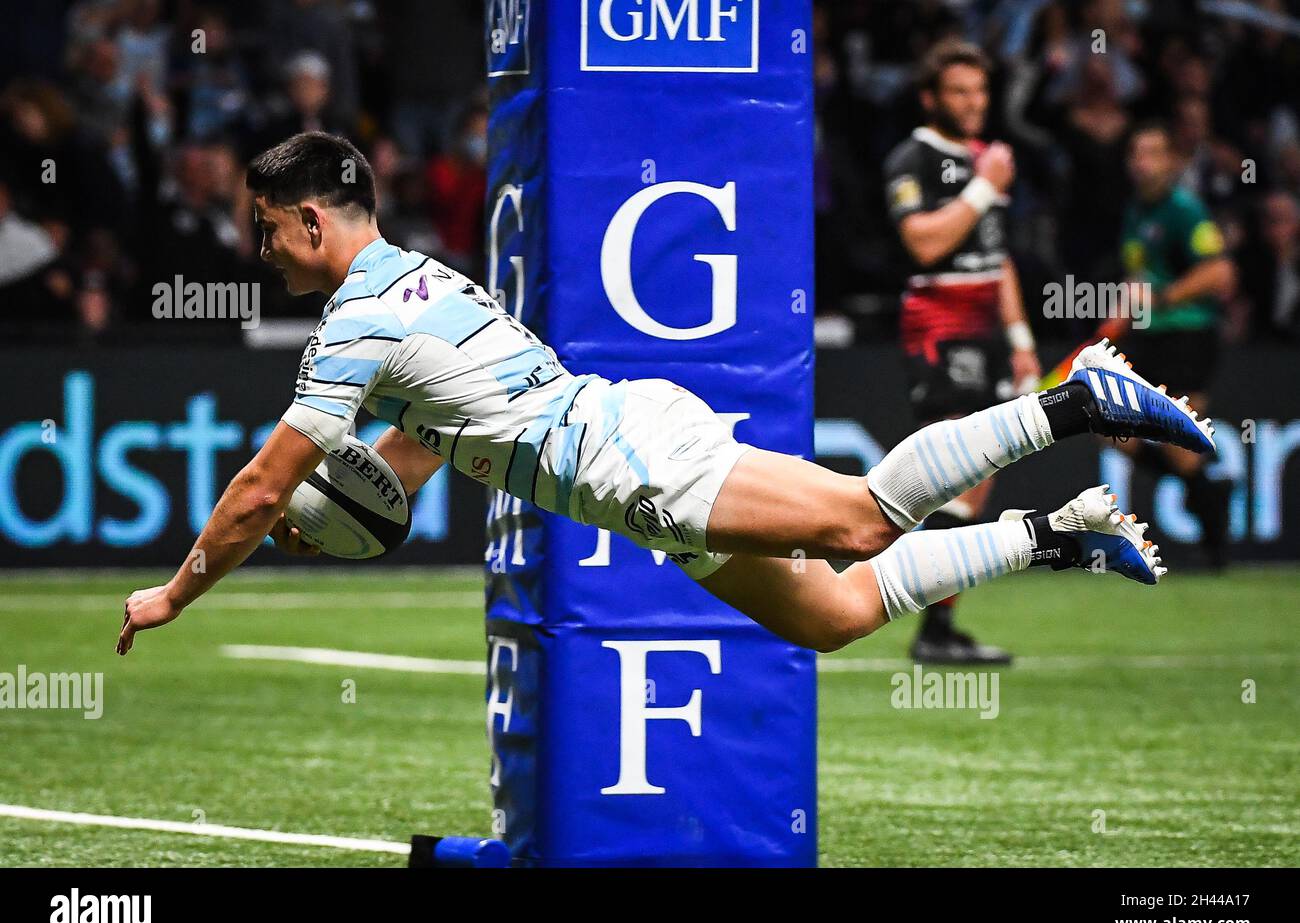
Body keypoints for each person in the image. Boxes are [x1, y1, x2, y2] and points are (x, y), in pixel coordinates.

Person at [116, 133, 1217, 656]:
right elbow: (411, 455)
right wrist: (347, 517)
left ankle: (1079, 398)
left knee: (856, 517)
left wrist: (177, 590)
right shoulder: (419, 282)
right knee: (830, 616)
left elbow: (262, 484)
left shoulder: (358, 314)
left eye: (265, 231)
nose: (261, 252)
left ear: (312, 222)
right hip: (615, 462)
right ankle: (1058, 533)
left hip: (625, 461)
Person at [882, 40, 1042, 664]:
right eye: (959, 91)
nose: (974, 102)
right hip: (939, 327)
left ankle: (938, 627)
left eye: (980, 90)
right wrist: (983, 188)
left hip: (986, 332)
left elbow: (997, 262)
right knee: (954, 480)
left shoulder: (986, 159)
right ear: (931, 98)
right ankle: (926, 627)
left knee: (973, 489)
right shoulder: (913, 158)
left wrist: (1023, 341)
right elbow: (922, 244)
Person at [1110, 121, 1235, 567]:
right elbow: (1138, 278)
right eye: (1136, 154)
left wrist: (1162, 298)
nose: (1143, 164)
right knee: (1114, 433)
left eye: (1153, 154)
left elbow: (1221, 273)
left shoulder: (1184, 209)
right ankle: (1210, 491)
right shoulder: (1134, 211)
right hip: (1149, 337)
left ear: (1170, 162)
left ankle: (1216, 544)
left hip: (1188, 335)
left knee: (1182, 451)